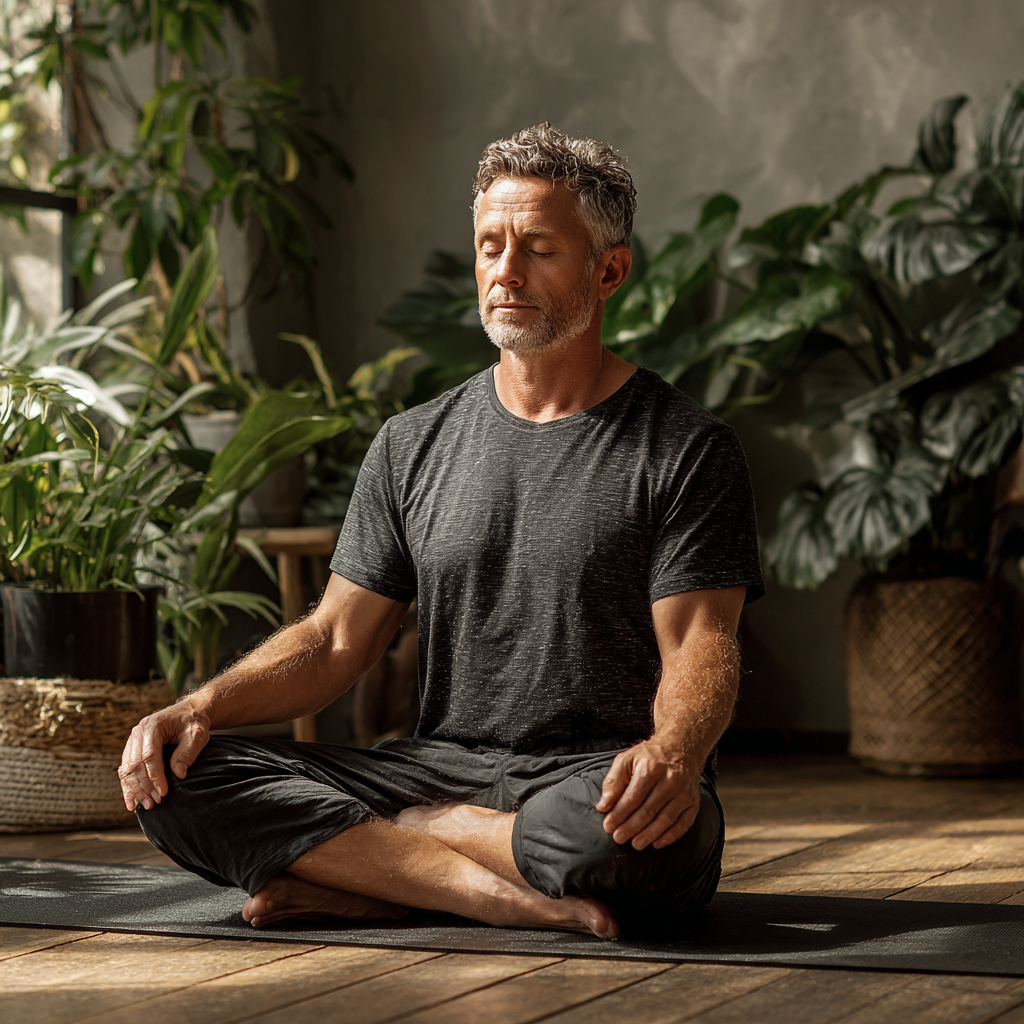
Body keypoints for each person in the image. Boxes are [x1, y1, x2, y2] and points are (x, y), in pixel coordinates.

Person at [119, 124, 764, 940]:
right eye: (490, 246)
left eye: (538, 248)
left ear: (609, 271)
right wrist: (200, 705)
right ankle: (493, 897)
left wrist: (672, 752)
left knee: (652, 844)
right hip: (433, 766)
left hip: (592, 779)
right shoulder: (411, 443)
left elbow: (703, 642)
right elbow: (332, 644)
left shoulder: (685, 447)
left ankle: (401, 863)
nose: (506, 270)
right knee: (174, 778)